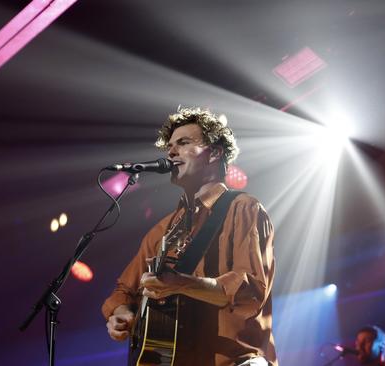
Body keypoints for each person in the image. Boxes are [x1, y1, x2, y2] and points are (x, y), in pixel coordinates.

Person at [101, 106, 277, 366]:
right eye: (169, 146)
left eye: (183, 143)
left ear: (215, 153)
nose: (171, 152)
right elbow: (123, 291)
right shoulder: (161, 230)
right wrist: (122, 313)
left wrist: (180, 283)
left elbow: (249, 290)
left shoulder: (243, 208)